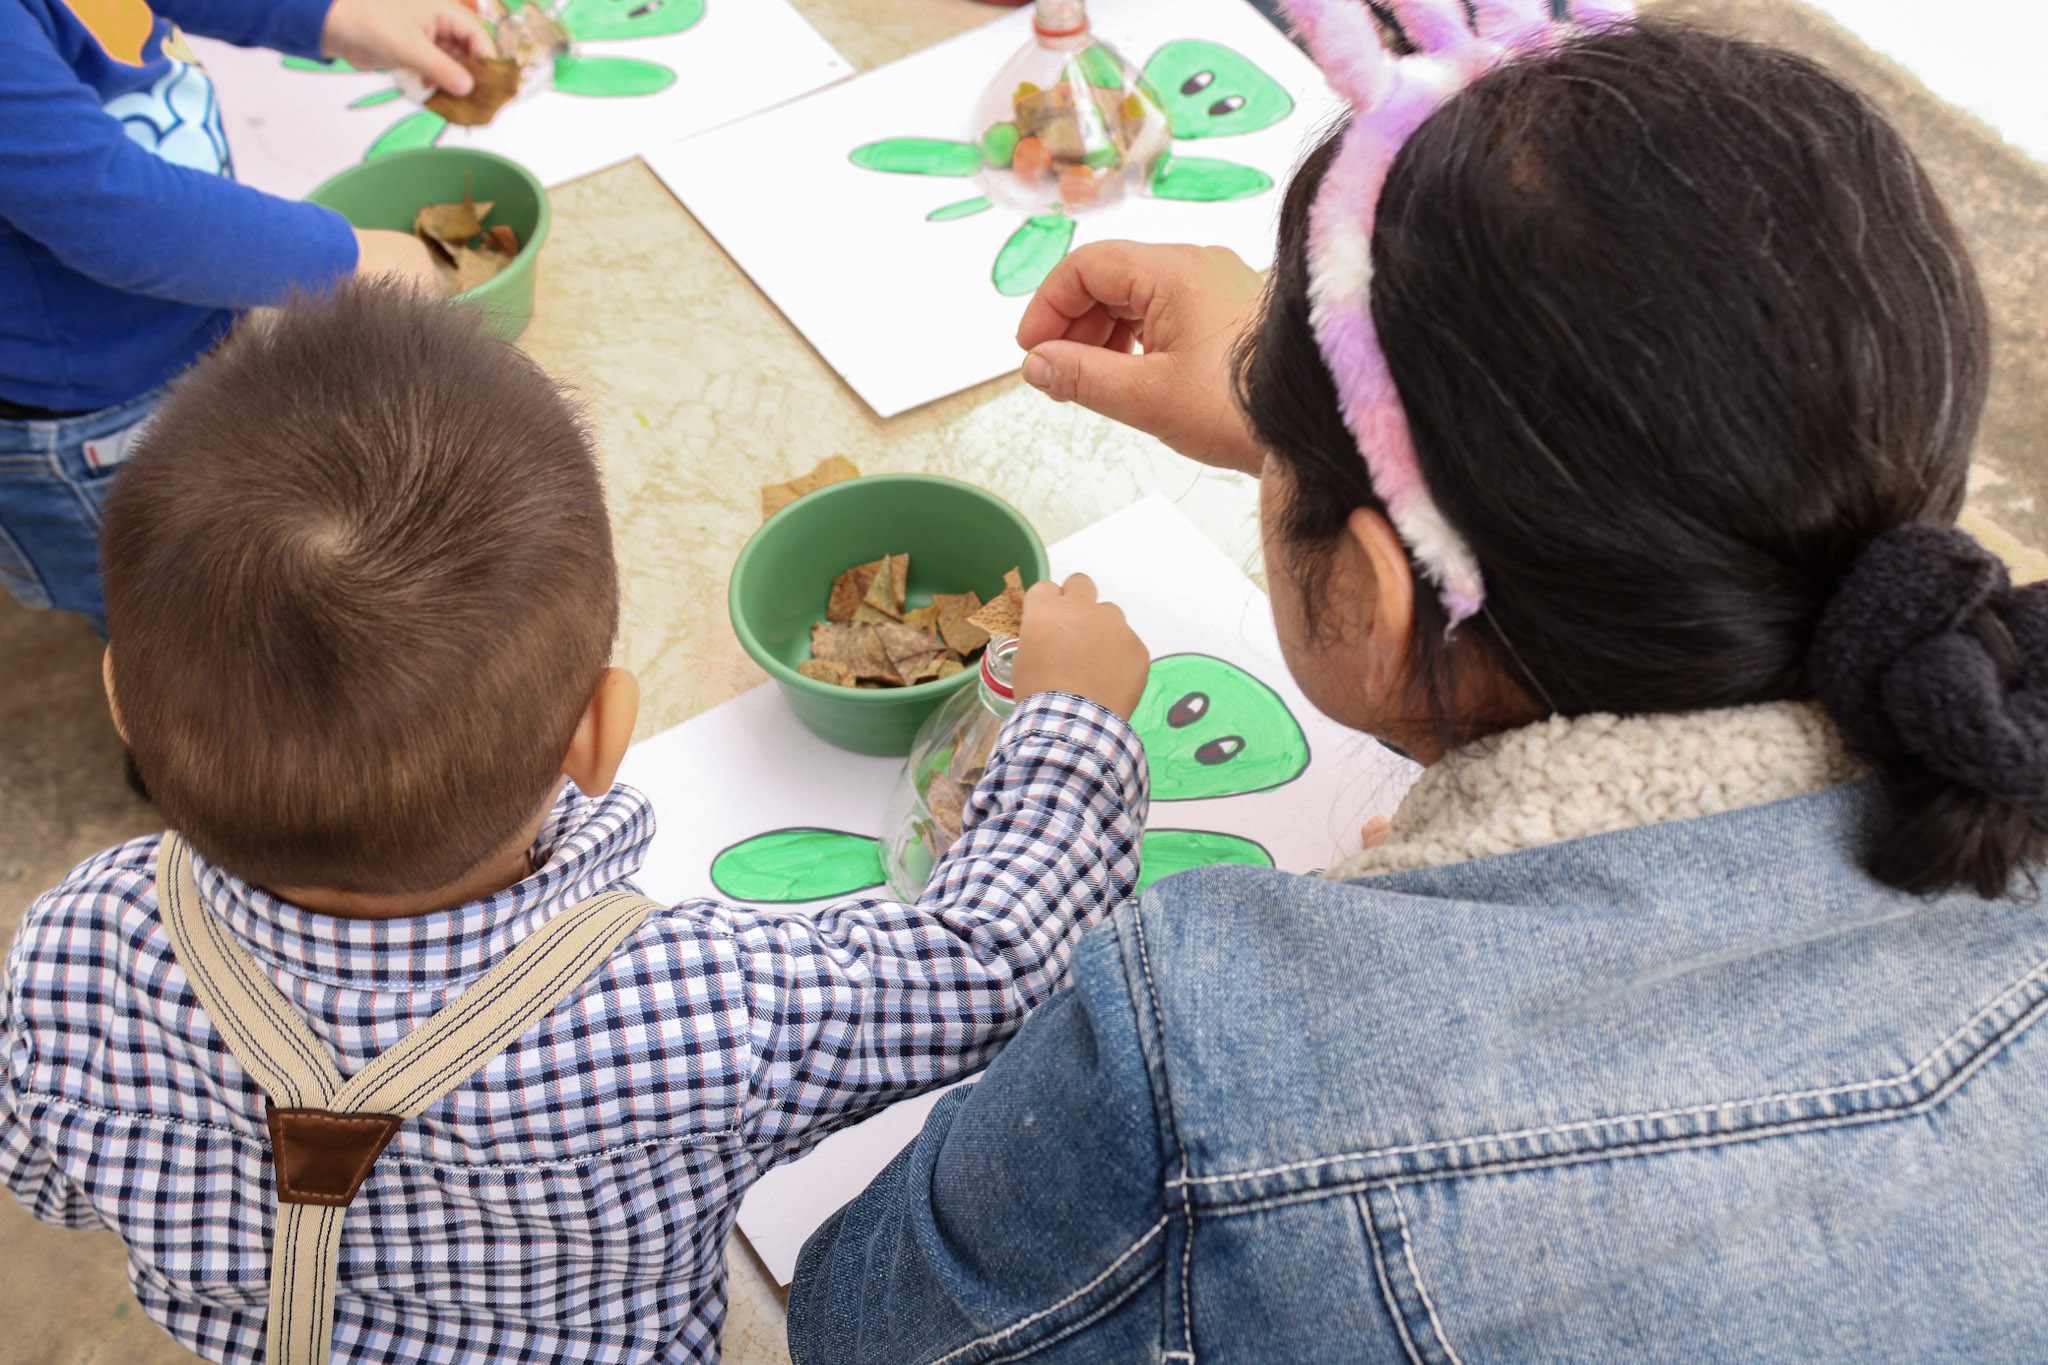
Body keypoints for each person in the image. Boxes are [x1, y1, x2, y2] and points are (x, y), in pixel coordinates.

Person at [785, 5, 2048, 1362]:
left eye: (1280, 445)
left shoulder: (1219, 1056)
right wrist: (1322, 414)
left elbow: (864, 1322)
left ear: (1391, 611)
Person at [0, 282, 1152, 1364]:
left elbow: (44, 1178)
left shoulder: (72, 945)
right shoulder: (693, 1008)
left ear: (121, 703)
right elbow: (984, 965)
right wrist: (1064, 726)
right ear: (601, 738)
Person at [0, 0, 483, 635]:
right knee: (177, 629)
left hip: (189, 324)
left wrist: (326, 17)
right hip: (92, 417)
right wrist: (349, 259)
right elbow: (110, 208)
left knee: (240, 571)